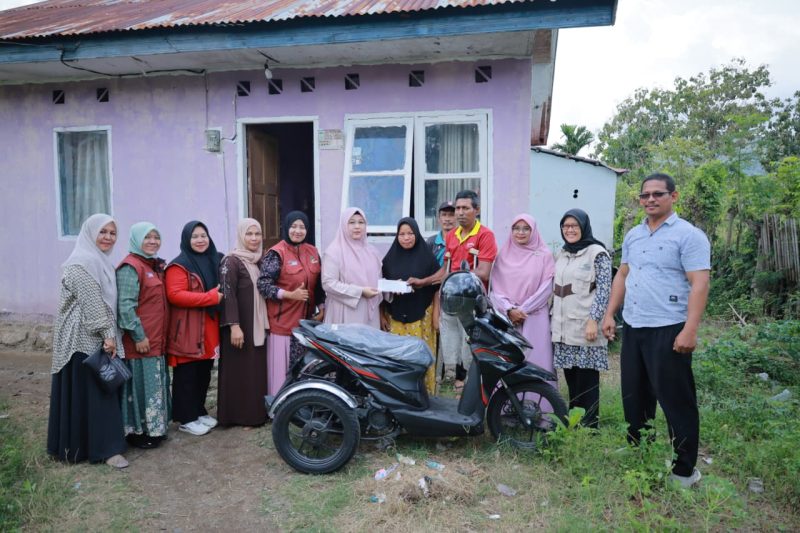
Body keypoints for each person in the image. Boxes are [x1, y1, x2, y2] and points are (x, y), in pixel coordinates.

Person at [601, 173, 710, 488]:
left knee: (676, 399)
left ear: (673, 197)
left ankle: (684, 470)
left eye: (658, 194)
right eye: (645, 195)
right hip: (635, 325)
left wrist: (690, 329)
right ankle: (639, 446)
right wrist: (610, 313)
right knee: (635, 394)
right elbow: (622, 274)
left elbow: (699, 283)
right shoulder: (634, 235)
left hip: (669, 327)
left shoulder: (689, 236)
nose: (650, 199)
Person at [47, 213, 128, 469]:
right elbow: (92, 303)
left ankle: (84, 446)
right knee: (96, 391)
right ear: (90, 233)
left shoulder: (100, 261)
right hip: (82, 338)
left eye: (112, 233)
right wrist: (107, 334)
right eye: (102, 232)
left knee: (94, 391)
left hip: (94, 336)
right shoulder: (82, 262)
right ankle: (106, 449)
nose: (108, 237)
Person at [408, 190, 498, 394]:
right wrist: (422, 282)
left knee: (470, 349)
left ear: (477, 210)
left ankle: (472, 393)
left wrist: (453, 278)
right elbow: (444, 270)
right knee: (451, 347)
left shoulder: (485, 235)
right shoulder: (452, 236)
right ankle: (455, 389)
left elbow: (483, 271)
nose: (460, 213)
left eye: (465, 208)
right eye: (458, 208)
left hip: (472, 303)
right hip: (450, 300)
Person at [550, 209, 611, 429]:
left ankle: (590, 427)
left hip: (586, 327)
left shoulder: (597, 253)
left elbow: (604, 290)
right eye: (566, 226)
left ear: (583, 227)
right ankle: (574, 423)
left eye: (574, 226)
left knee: (586, 380)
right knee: (571, 379)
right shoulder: (563, 253)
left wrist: (594, 320)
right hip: (563, 327)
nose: (570, 230)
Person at [165, 221, 224, 436]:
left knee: (204, 371)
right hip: (188, 329)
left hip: (207, 326)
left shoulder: (213, 259)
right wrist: (209, 298)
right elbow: (175, 295)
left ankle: (199, 411)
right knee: (187, 375)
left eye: (204, 235)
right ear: (186, 240)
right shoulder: (179, 265)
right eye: (195, 236)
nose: (200, 240)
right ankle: (186, 418)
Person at [116, 222, 171, 449]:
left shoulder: (151, 265)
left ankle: (155, 428)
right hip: (141, 342)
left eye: (156, 237)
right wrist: (138, 336)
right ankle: (138, 432)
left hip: (156, 339)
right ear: (136, 240)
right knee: (140, 387)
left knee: (155, 384)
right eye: (147, 237)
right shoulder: (131, 267)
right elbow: (125, 307)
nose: (152, 241)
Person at [258, 211, 325, 395]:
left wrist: (322, 308)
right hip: (283, 323)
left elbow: (318, 286)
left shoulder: (313, 251)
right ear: (286, 228)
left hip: (306, 323)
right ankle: (280, 407)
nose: (297, 231)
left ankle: (300, 406)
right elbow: (263, 285)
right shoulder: (276, 253)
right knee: (282, 370)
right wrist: (289, 294)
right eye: (293, 226)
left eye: (302, 227)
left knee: (303, 367)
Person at [490, 214, 555, 385]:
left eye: (526, 228)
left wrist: (523, 310)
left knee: (536, 359)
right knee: (508, 361)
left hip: (534, 317)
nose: (521, 232)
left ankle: (541, 404)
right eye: (516, 228)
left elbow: (547, 288)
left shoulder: (544, 255)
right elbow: (495, 289)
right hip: (507, 318)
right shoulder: (502, 255)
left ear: (533, 231)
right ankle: (506, 405)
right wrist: (510, 310)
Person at [218, 219, 269, 426]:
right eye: (249, 234)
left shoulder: (257, 260)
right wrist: (234, 326)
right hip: (239, 325)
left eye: (257, 234)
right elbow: (227, 294)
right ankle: (235, 416)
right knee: (238, 370)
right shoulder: (231, 261)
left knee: (253, 369)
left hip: (254, 323)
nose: (254, 239)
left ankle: (254, 413)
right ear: (241, 236)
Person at [381, 217, 441, 395]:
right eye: (402, 234)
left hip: (422, 318)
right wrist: (381, 315)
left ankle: (425, 395)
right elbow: (381, 289)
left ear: (416, 234)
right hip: (396, 319)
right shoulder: (389, 259)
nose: (406, 237)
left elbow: (436, 287)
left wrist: (436, 314)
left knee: (421, 358)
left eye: (410, 233)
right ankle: (399, 397)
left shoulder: (427, 257)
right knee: (398, 359)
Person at [321, 207, 382, 328]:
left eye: (361, 222)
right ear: (343, 225)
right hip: (344, 313)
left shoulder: (372, 252)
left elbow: (378, 281)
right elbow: (328, 284)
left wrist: (395, 287)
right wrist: (360, 291)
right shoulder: (334, 252)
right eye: (352, 222)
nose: (357, 226)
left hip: (370, 313)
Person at [425, 201, 456, 267]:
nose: (447, 219)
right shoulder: (431, 242)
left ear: (457, 218)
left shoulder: (462, 240)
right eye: (444, 215)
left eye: (451, 215)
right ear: (439, 219)